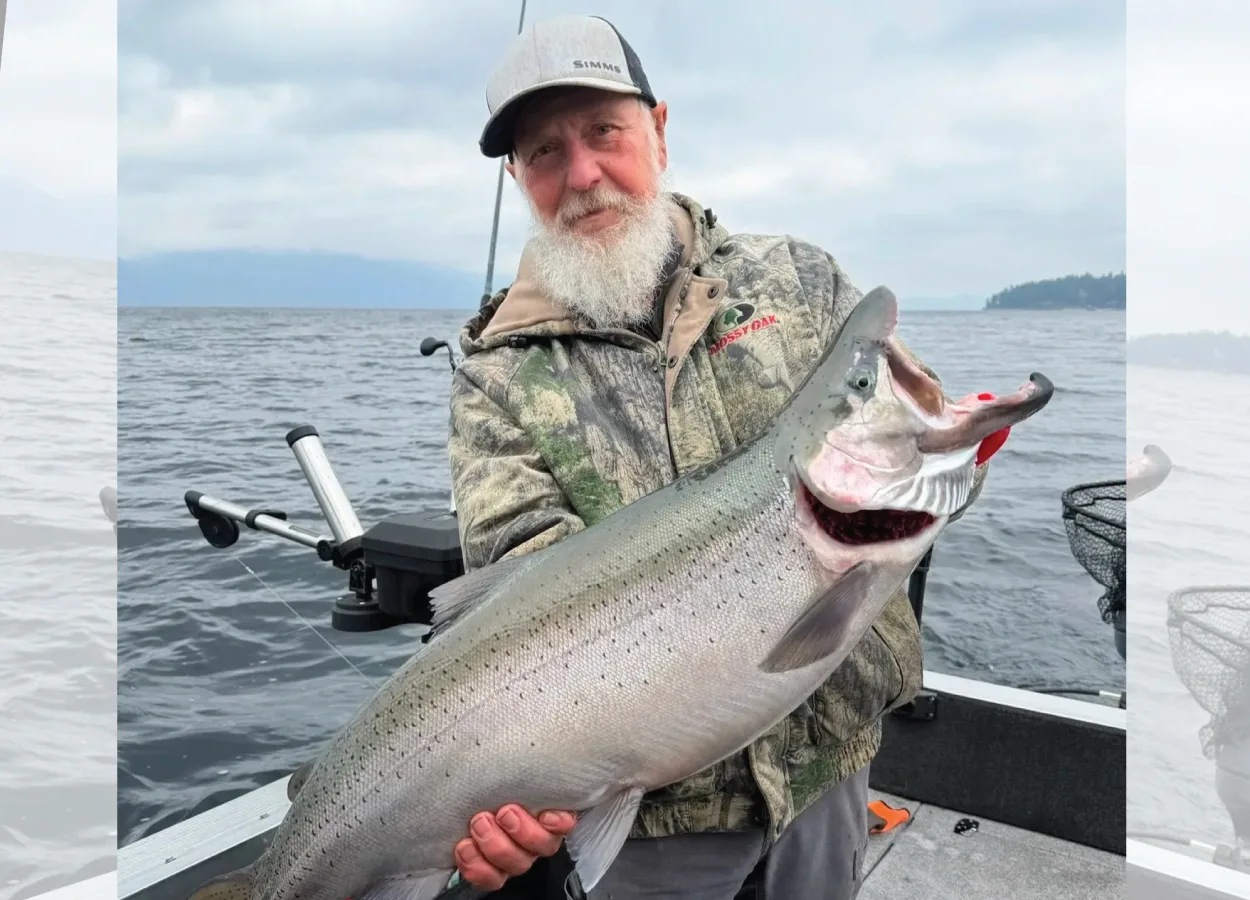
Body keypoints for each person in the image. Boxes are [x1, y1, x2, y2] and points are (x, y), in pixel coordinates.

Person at [445, 14, 989, 899]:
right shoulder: (497, 379)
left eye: (603, 132)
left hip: (824, 772)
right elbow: (523, 582)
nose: (582, 174)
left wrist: (957, 460)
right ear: (517, 177)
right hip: (646, 829)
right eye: (544, 152)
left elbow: (914, 443)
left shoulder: (800, 282)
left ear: (658, 130)